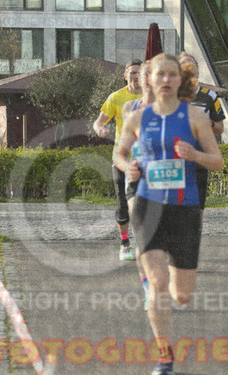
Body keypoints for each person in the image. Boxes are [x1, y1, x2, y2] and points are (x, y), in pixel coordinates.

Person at [114, 53, 224, 375]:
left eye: (171, 74)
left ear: (180, 80)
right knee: (158, 283)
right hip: (147, 206)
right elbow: (119, 152)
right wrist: (128, 167)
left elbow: (218, 161)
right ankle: (164, 354)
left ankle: (167, 301)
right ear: (149, 79)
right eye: (159, 74)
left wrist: (195, 155)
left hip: (185, 209)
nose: (165, 80)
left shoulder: (195, 116)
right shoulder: (137, 117)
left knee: (182, 295)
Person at [93, 59, 143, 261]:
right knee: (123, 203)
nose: (135, 76)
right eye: (132, 73)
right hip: (122, 158)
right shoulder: (116, 97)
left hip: (146, 158)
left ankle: (145, 241)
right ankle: (124, 244)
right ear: (125, 76)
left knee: (145, 202)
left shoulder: (153, 97)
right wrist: (100, 129)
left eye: (139, 72)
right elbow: (99, 122)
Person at [121, 60, 154, 310]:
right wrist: (126, 165)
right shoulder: (129, 108)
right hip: (137, 177)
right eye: (146, 76)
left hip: (166, 180)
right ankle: (147, 288)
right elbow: (122, 149)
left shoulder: (178, 109)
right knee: (142, 236)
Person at [178, 51, 226, 216]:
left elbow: (220, 128)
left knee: (198, 206)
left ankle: (194, 231)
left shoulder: (210, 96)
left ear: (198, 73)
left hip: (200, 153)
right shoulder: (170, 95)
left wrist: (208, 123)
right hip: (175, 154)